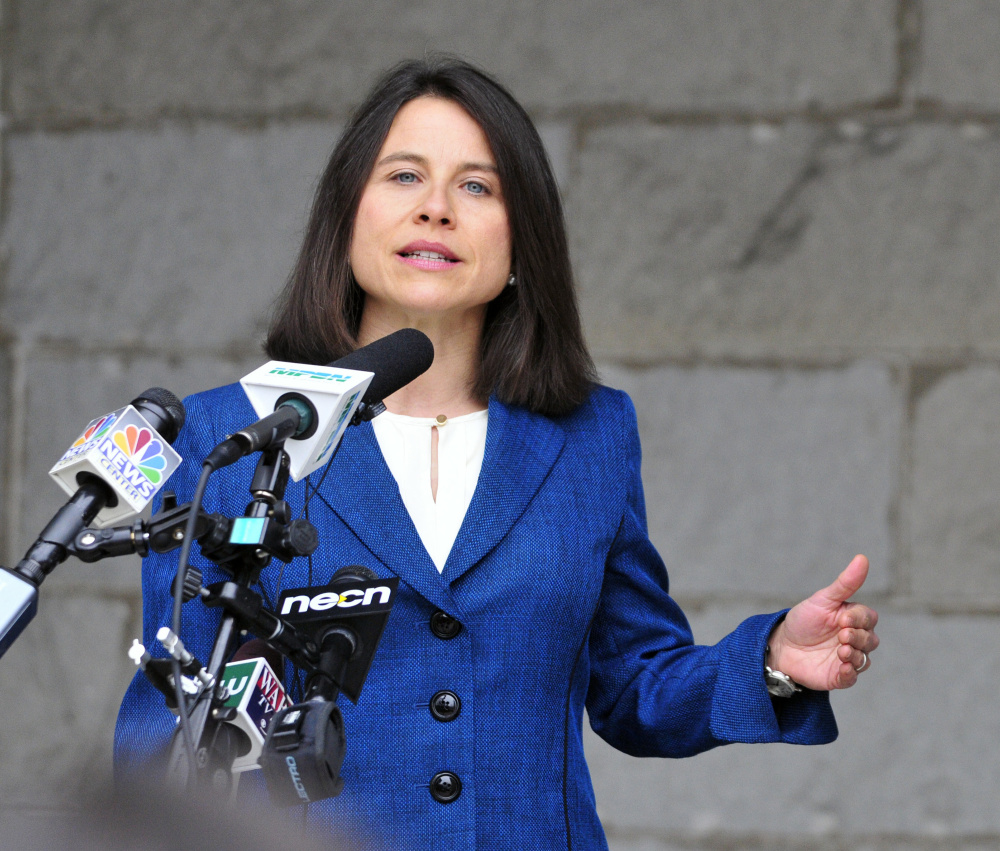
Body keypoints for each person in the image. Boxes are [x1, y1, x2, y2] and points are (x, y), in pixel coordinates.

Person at [115, 56, 879, 850]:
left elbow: (631, 682)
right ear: (345, 217)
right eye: (404, 176)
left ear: (522, 242)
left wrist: (773, 660)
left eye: (477, 187)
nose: (436, 210)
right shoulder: (230, 434)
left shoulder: (590, 435)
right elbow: (166, 735)